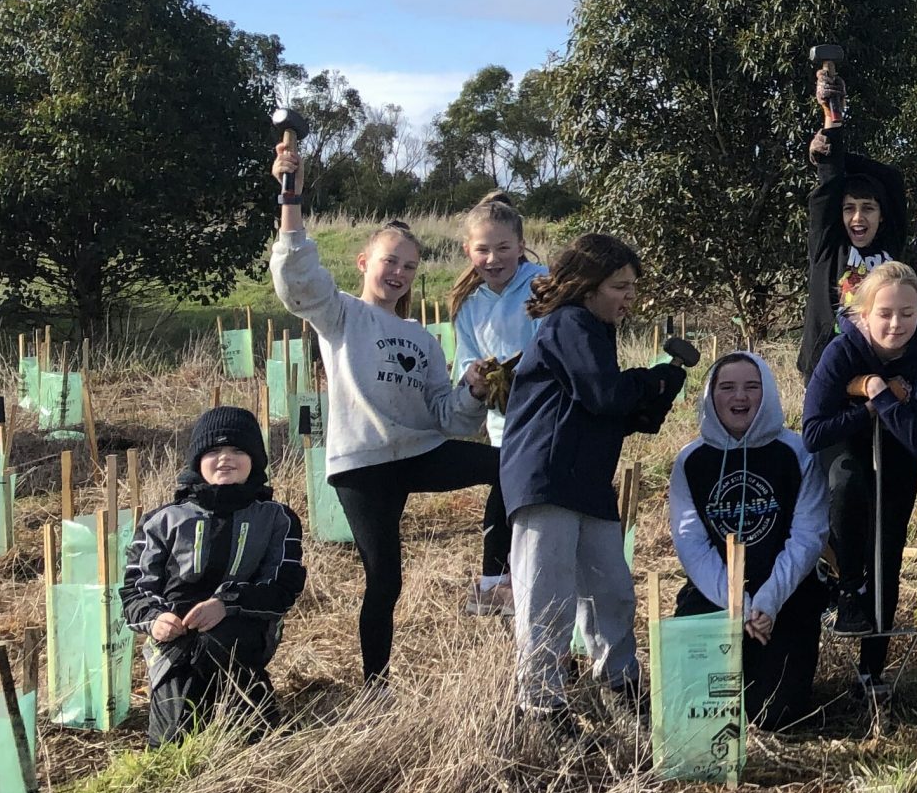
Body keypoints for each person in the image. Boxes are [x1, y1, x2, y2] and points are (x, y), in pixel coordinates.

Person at [270, 137, 494, 684]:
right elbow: (297, 279)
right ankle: (377, 685)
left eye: (410, 267)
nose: (399, 273)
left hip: (419, 452)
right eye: (390, 261)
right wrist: (290, 197)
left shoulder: (422, 339)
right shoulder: (340, 314)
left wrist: (473, 389)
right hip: (364, 465)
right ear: (365, 261)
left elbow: (449, 417)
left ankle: (498, 577)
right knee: (385, 580)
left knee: (508, 465)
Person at [498, 234, 691, 717]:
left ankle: (621, 686)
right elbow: (605, 394)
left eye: (631, 286)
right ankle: (540, 706)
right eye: (619, 285)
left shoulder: (594, 329)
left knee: (611, 590)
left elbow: (605, 411)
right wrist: (652, 381)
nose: (629, 296)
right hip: (547, 478)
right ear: (587, 286)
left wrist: (655, 394)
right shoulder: (569, 322)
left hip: (586, 479)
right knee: (549, 598)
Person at [801, 261, 917, 696]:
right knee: (850, 486)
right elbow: (812, 432)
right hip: (843, 443)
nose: (896, 323)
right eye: (884, 313)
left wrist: (876, 391)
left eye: (907, 312)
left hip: (897, 449)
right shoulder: (841, 351)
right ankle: (846, 584)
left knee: (887, 546)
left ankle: (873, 667)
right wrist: (867, 407)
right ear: (864, 314)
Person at [667, 352, 832, 732]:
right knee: (698, 719)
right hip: (715, 597)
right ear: (711, 396)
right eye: (727, 387)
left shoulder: (797, 452)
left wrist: (768, 602)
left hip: (785, 599)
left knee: (772, 716)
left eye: (751, 387)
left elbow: (807, 537)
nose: (739, 397)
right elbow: (690, 541)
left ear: (768, 393)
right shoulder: (690, 461)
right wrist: (736, 604)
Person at [123, 406, 307, 744]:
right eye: (214, 451)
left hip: (242, 632)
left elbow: (283, 587)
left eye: (238, 450)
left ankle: (258, 729)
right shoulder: (161, 520)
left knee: (221, 647)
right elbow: (134, 591)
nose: (226, 459)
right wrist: (156, 619)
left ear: (255, 460)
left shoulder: (278, 518)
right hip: (175, 643)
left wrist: (227, 604)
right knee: (172, 740)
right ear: (197, 461)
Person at [446, 189, 547, 615]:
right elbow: (466, 358)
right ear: (468, 250)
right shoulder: (468, 304)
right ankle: (498, 585)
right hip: (502, 423)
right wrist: (475, 376)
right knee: (505, 494)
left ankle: (531, 586)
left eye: (503, 248)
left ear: (521, 246)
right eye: (482, 250)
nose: (493, 258)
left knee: (534, 505)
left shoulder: (544, 285)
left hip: (545, 417)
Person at [797, 59, 908, 383]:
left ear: (882, 215)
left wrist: (839, 148)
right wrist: (831, 124)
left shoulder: (890, 244)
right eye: (849, 209)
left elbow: (893, 180)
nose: (858, 217)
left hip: (882, 370)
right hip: (827, 373)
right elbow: (830, 184)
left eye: (868, 209)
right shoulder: (829, 246)